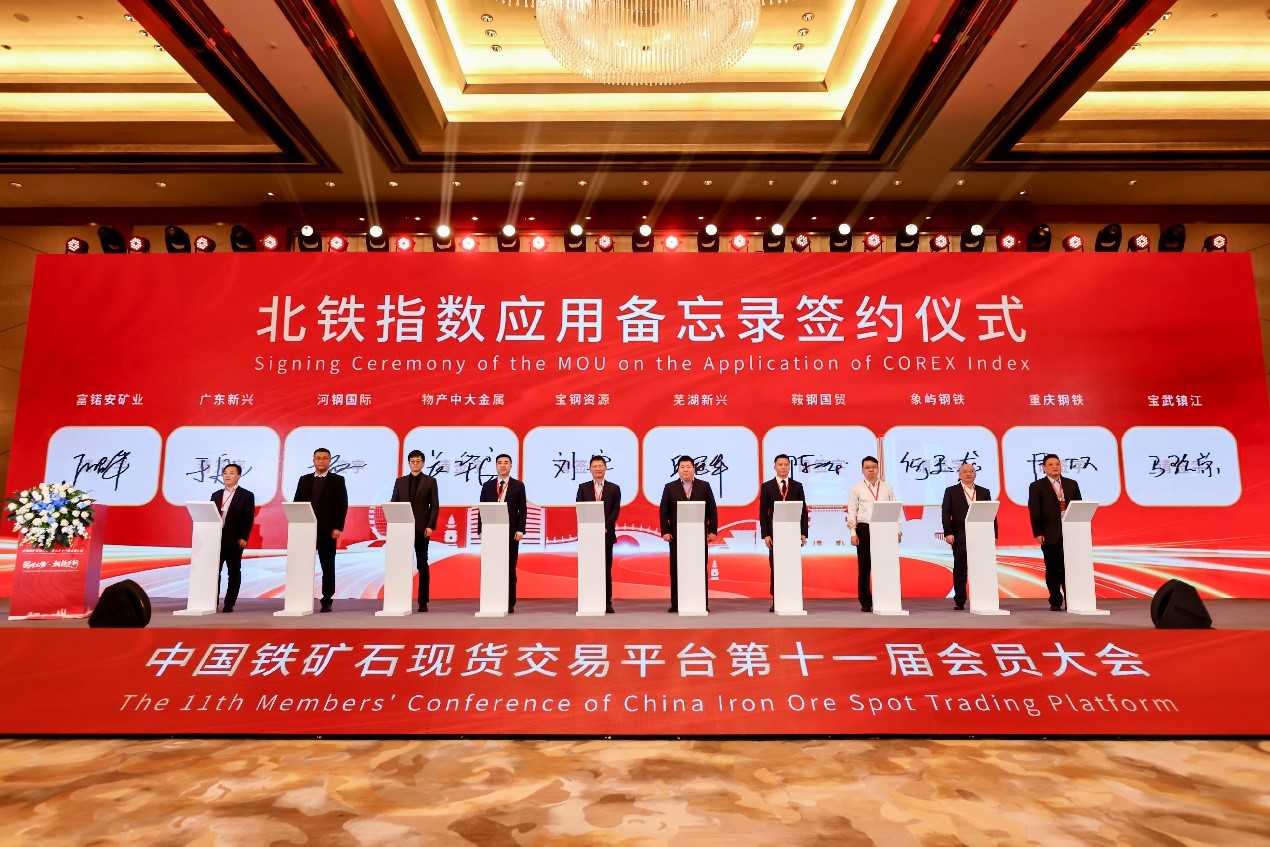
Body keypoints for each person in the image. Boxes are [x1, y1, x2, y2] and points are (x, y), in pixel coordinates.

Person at [659, 455, 718, 613]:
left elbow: (712, 510)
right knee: (676, 569)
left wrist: (712, 530)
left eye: (688, 467)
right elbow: (663, 511)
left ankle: (701, 602)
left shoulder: (704, 486)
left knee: (699, 568)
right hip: (677, 537)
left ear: (694, 469)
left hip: (698, 536)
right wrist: (665, 531)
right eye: (682, 467)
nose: (685, 470)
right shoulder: (670, 487)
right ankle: (676, 603)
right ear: (678, 470)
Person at [293, 447, 348, 612]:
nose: (321, 461)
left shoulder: (337, 480)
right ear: (313, 460)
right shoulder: (304, 480)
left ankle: (327, 599)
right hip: (306, 530)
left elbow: (342, 505)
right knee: (302, 564)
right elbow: (297, 503)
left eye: (324, 458)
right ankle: (301, 596)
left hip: (327, 531)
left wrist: (338, 527)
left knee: (328, 566)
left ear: (329, 461)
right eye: (318, 458)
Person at [846, 455, 902, 612]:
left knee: (884, 564)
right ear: (862, 470)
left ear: (878, 469)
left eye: (874, 467)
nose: (871, 470)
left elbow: (895, 510)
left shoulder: (887, 487)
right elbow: (852, 511)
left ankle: (884, 598)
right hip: (864, 529)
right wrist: (853, 533)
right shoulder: (857, 488)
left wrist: (897, 530)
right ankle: (865, 601)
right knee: (865, 566)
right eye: (867, 467)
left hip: (884, 528)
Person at [1028, 453, 1082, 610]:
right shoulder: (1037, 486)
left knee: (1070, 568)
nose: (1055, 467)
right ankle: (1055, 600)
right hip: (1050, 534)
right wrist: (1038, 532)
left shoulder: (1071, 484)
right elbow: (1034, 510)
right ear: (1044, 468)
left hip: (1071, 533)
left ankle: (1072, 600)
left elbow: (1079, 507)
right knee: (1052, 569)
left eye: (1057, 464)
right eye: (1050, 464)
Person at [940, 462, 996, 610]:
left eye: (971, 471)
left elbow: (991, 513)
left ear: (975, 474)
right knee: (960, 570)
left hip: (981, 536)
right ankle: (960, 601)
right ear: (959, 474)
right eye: (965, 471)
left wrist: (993, 533)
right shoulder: (951, 491)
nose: (968, 474)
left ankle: (983, 598)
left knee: (981, 568)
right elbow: (945, 513)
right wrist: (948, 532)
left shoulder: (984, 492)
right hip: (960, 536)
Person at [391, 449, 440, 612]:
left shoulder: (430, 481)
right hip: (402, 529)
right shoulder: (400, 482)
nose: (415, 463)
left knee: (422, 564)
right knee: (400, 563)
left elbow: (434, 505)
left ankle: (423, 600)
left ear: (423, 463)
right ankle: (399, 598)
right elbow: (394, 503)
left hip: (421, 528)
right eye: (413, 461)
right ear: (409, 463)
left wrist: (430, 525)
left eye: (418, 461)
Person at [759, 453, 808, 612]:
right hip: (775, 534)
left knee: (792, 566)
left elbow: (803, 511)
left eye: (786, 464)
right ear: (775, 467)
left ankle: (793, 599)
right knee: (776, 567)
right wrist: (766, 534)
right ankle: (777, 600)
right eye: (780, 465)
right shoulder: (767, 486)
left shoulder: (797, 486)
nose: (783, 467)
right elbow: (763, 512)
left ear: (789, 467)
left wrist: (803, 533)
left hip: (793, 533)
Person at [479, 453, 527, 613]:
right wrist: (481, 530)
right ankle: (492, 599)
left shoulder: (518, 485)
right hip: (492, 533)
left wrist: (520, 529)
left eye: (506, 462)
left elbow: (522, 509)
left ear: (511, 466)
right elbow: (482, 509)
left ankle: (509, 602)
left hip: (511, 533)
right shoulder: (487, 486)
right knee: (492, 567)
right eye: (500, 462)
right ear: (496, 466)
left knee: (509, 568)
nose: (503, 465)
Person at [576, 455, 621, 614]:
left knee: (605, 569)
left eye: (600, 466)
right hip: (588, 536)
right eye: (594, 466)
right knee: (589, 569)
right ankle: (589, 600)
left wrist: (605, 526)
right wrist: (589, 528)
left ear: (605, 468)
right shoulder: (583, 488)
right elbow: (580, 509)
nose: (597, 469)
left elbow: (615, 510)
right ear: (590, 469)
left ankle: (606, 602)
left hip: (606, 535)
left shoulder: (614, 488)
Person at [211, 463, 254, 613]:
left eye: (231, 473)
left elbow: (248, 518)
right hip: (216, 539)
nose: (227, 475)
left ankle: (229, 603)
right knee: (214, 571)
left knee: (233, 571)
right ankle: (211, 600)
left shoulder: (246, 495)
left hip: (235, 539)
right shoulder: (216, 495)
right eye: (225, 473)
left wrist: (244, 537)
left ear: (238, 476)